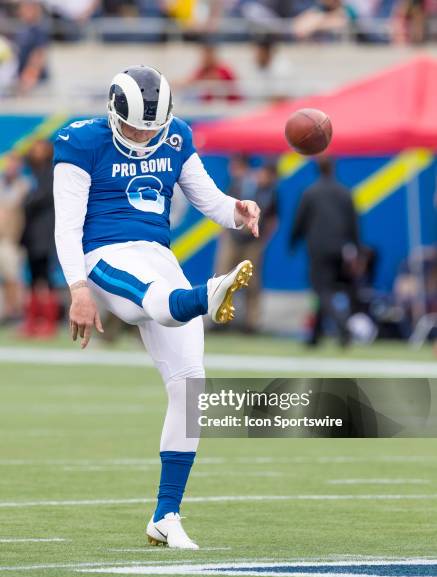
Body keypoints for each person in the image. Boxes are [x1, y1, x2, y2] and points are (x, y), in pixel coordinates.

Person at [53, 65, 260, 549]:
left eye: (154, 125)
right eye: (134, 125)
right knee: (155, 304)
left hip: (158, 255)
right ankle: (209, 294)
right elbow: (66, 225)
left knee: (191, 391)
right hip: (103, 255)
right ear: (112, 111)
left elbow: (210, 200)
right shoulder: (82, 141)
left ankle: (166, 516)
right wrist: (78, 288)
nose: (145, 134)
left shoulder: (177, 136)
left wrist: (238, 209)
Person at [290, 156, 359, 346]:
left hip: (318, 248)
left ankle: (343, 327)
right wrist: (357, 250)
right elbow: (354, 224)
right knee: (326, 290)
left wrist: (293, 242)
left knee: (322, 290)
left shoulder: (310, 193)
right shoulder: (345, 192)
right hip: (340, 249)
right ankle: (315, 336)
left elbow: (299, 221)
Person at [216, 159, 278, 332]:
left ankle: (251, 322)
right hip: (233, 236)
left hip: (253, 240)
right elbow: (224, 208)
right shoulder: (242, 183)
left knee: (251, 281)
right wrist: (224, 233)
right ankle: (220, 318)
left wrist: (263, 240)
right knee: (223, 277)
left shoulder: (270, 192)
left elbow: (273, 219)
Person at [21, 140, 59, 337]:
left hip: (44, 233)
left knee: (45, 277)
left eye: (40, 149)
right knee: (33, 277)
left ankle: (49, 322)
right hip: (31, 234)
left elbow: (41, 196)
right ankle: (31, 321)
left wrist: (24, 199)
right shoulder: (30, 172)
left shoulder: (51, 172)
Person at [0, 152, 29, 322]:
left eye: (15, 163)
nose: (11, 167)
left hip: (11, 239)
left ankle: (14, 313)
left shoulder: (24, 185)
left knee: (12, 277)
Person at [13, 0, 50, 94]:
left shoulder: (39, 29)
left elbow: (39, 55)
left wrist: (29, 77)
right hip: (22, 78)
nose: (22, 11)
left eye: (26, 8)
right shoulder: (22, 28)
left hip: (36, 82)